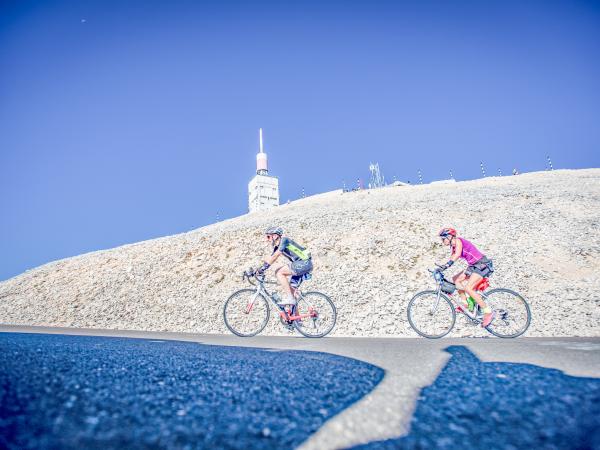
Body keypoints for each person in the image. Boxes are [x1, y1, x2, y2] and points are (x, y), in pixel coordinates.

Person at [438, 227, 495, 327]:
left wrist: (447, 265)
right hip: (473, 266)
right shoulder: (453, 247)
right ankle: (466, 305)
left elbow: (457, 255)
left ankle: (488, 312)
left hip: (482, 264)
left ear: (450, 237)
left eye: (443, 239)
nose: (442, 241)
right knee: (456, 280)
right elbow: (452, 257)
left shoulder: (458, 241)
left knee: (469, 288)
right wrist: (442, 267)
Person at [256, 226, 313, 307]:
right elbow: (270, 258)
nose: (267, 239)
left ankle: (290, 298)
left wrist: (263, 269)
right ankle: (296, 319)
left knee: (279, 272)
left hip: (304, 263)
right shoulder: (277, 246)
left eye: (268, 236)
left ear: (275, 236)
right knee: (292, 295)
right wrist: (258, 269)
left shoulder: (284, 240)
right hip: (302, 265)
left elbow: (275, 256)